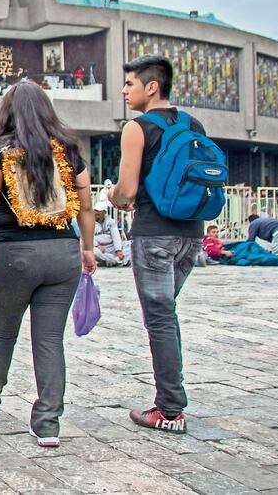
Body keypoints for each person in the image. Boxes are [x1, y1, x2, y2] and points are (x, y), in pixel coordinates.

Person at [0, 81, 96, 448]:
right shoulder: (70, 151)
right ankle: (47, 424)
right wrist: (88, 248)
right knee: (49, 341)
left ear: (7, 111)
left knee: (2, 333)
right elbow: (86, 205)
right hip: (63, 254)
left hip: (16, 256)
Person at [109, 54, 205, 435]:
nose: (124, 90)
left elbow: (127, 190)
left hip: (154, 235)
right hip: (192, 235)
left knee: (160, 319)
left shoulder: (137, 128)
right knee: (167, 314)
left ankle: (169, 409)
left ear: (151, 87)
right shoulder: (193, 124)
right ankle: (171, 399)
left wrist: (114, 194)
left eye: (129, 84)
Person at [93, 200, 129, 267]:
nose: (96, 213)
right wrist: (96, 245)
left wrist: (118, 250)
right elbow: (85, 237)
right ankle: (117, 261)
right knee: (94, 252)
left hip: (111, 247)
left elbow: (116, 236)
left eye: (99, 212)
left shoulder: (111, 222)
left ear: (104, 212)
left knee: (130, 244)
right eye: (95, 211)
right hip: (98, 248)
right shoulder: (89, 221)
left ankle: (110, 261)